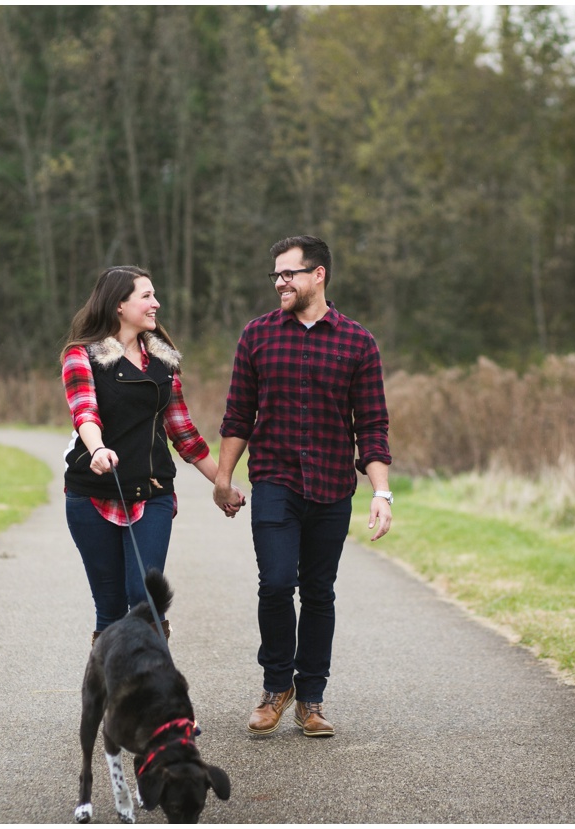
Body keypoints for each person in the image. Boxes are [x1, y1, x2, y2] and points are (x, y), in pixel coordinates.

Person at [209, 235, 393, 740]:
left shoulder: (358, 342)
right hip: (275, 480)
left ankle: (310, 698)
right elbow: (237, 414)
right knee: (275, 583)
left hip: (333, 486)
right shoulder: (258, 336)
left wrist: (381, 492)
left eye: (288, 273)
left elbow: (372, 426)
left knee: (317, 592)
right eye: (275, 275)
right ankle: (275, 687)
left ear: (319, 275)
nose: (279, 283)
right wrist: (223, 479)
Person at [57, 266, 223, 644]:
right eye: (146, 296)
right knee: (110, 606)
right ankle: (108, 696)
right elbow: (85, 411)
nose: (156, 304)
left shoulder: (164, 361)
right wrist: (97, 448)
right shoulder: (81, 355)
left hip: (152, 494)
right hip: (92, 494)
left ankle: (160, 697)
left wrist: (223, 483)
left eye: (154, 295)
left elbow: (184, 433)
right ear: (119, 305)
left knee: (144, 599)